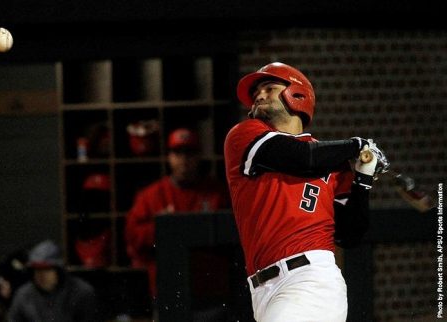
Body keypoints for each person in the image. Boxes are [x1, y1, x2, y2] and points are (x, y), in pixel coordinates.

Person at [223, 62, 389, 322]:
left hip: (310, 280)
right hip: (262, 291)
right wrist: (356, 145)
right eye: (256, 93)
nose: (259, 96)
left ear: (297, 95)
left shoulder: (332, 162)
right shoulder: (244, 136)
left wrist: (363, 179)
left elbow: (350, 233)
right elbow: (302, 157)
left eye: (269, 88)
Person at [125, 127, 231, 297]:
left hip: (210, 290)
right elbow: (133, 238)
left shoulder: (216, 193)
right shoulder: (151, 196)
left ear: (198, 157)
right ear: (169, 157)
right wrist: (164, 228)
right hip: (168, 289)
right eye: (177, 153)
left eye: (189, 153)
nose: (183, 160)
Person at [6, 239, 98, 322]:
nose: (41, 275)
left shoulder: (81, 292)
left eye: (47, 269)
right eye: (37, 270)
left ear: (58, 270)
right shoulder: (23, 295)